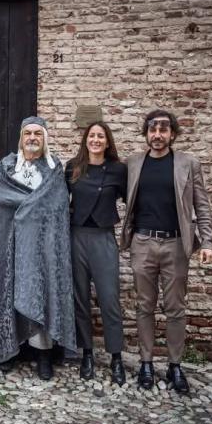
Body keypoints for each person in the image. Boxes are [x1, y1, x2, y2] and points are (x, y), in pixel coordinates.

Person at [120, 109, 212, 394]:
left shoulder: (188, 163)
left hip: (176, 244)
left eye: (163, 129)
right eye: (153, 129)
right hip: (143, 243)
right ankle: (146, 363)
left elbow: (202, 204)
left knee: (175, 308)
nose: (157, 135)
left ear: (172, 133)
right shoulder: (134, 163)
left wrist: (208, 242)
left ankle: (175, 365)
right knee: (144, 306)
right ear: (146, 133)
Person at [0, 116, 76, 380]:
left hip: (43, 247)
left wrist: (29, 211)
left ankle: (43, 354)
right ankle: (11, 349)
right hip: (12, 243)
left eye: (38, 133)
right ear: (21, 137)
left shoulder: (53, 171)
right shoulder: (7, 167)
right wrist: (28, 210)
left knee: (42, 293)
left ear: (45, 138)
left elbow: (57, 207)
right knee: (9, 291)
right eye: (28, 133)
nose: (32, 138)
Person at [65, 122, 127, 385]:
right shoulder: (73, 167)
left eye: (101, 136)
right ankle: (87, 353)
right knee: (80, 299)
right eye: (92, 136)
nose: (96, 140)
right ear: (85, 140)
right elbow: (58, 200)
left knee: (109, 299)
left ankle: (116, 357)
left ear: (107, 141)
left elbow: (133, 201)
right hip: (76, 235)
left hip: (103, 238)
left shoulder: (118, 170)